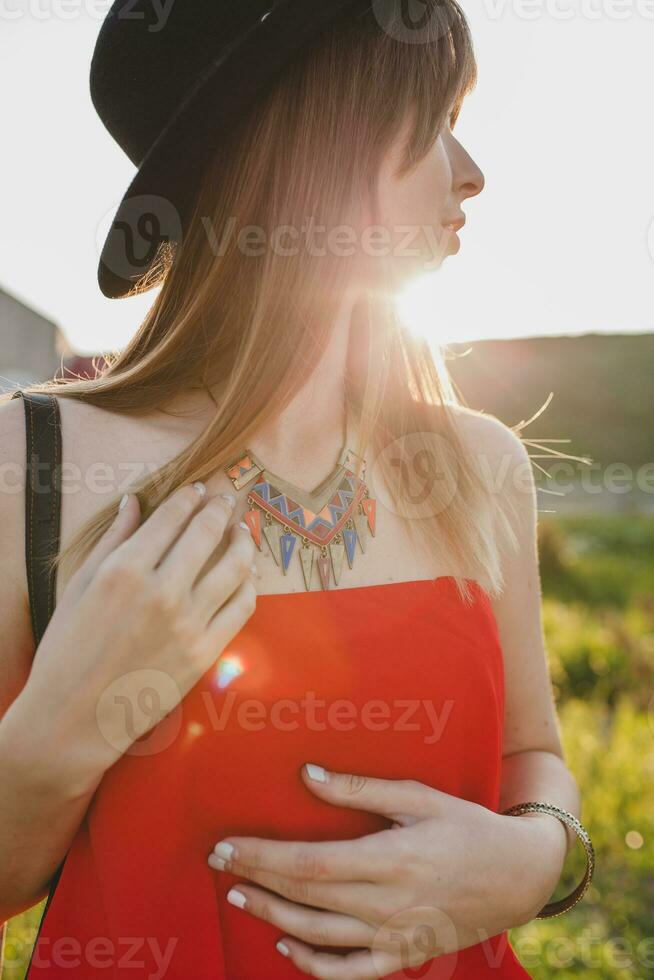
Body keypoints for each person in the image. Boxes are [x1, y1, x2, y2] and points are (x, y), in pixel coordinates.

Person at [0, 1, 590, 977]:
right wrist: (70, 717)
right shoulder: (36, 459)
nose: (472, 170)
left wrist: (534, 858)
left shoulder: (483, 465)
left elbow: (536, 755)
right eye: (432, 114)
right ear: (309, 134)